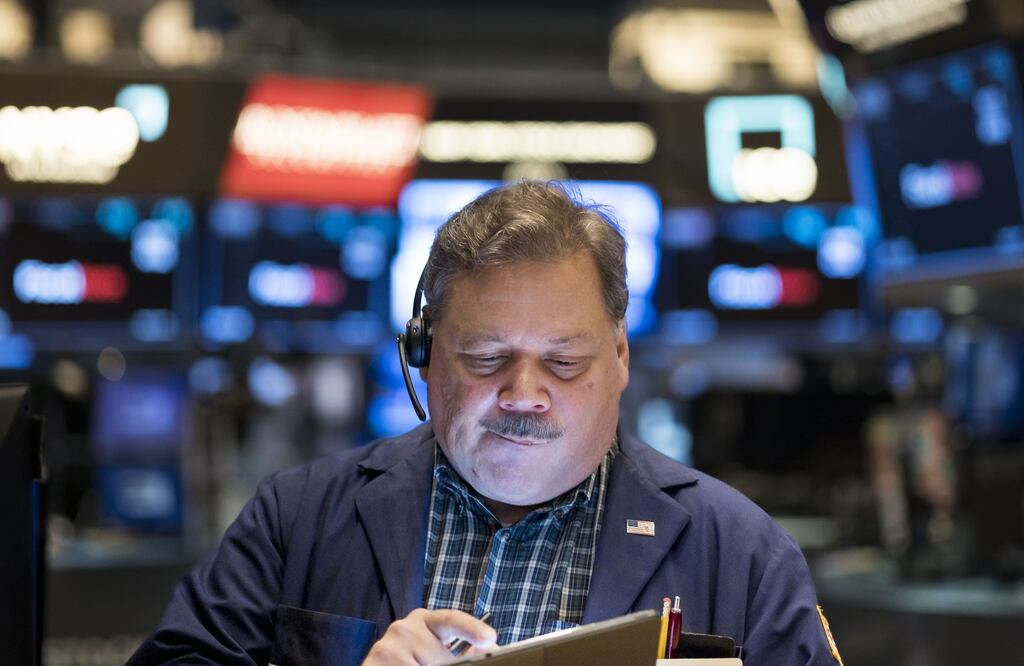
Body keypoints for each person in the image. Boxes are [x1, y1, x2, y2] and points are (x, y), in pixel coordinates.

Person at [129, 181, 841, 665]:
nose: (523, 394)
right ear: (424, 353)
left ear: (620, 355)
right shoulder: (296, 518)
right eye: (485, 358)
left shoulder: (743, 554)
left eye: (563, 363)